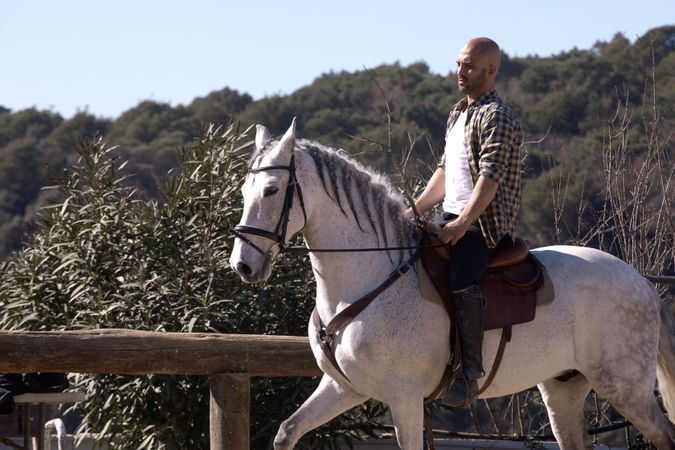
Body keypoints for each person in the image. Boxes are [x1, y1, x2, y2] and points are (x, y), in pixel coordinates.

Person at [406, 37, 523, 407]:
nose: (460, 71)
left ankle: (468, 373)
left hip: (482, 225)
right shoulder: (458, 113)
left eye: (469, 66)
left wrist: (463, 223)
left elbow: (490, 177)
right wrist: (413, 211)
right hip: (451, 215)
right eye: (458, 63)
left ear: (491, 70)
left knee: (460, 279)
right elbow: (444, 172)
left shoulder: (498, 115)